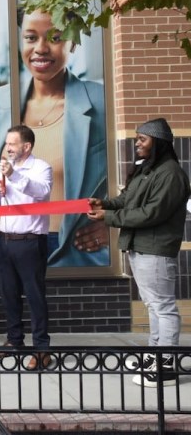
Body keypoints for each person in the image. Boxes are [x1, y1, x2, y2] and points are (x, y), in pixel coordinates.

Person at [0, 8, 107, 267]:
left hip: (76, 251)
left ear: (72, 42)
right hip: (11, 242)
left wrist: (114, 225)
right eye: (30, 38)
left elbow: (134, 170)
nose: (41, 48)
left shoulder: (101, 101)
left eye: (55, 37)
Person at [88, 118, 190, 387]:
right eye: (136, 139)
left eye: (142, 139)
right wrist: (106, 203)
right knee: (153, 306)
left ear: (157, 143)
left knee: (163, 308)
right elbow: (127, 200)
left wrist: (109, 217)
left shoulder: (171, 174)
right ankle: (155, 356)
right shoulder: (148, 170)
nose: (137, 144)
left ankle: (166, 366)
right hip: (140, 248)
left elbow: (151, 213)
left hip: (155, 250)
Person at [0, 125, 53, 370]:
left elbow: (42, 192)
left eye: (12, 144)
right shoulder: (4, 167)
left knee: (34, 295)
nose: (8, 148)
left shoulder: (41, 168)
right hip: (5, 240)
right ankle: (14, 341)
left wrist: (13, 175)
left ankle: (42, 348)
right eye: (7, 143)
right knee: (9, 294)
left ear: (26, 146)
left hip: (30, 241)